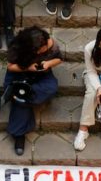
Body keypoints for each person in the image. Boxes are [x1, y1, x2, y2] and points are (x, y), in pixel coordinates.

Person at [5, 27, 62, 155]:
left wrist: (48, 64)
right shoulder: (17, 46)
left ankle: (21, 96)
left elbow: (59, 58)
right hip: (21, 73)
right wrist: (29, 68)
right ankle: (19, 134)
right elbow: (10, 67)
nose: (44, 51)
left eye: (44, 48)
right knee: (21, 91)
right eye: (40, 50)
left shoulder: (49, 43)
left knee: (50, 87)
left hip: (41, 74)